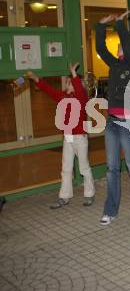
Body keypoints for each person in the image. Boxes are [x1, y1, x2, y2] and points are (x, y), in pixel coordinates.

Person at [96, 11, 130, 226]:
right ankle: (110, 210)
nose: (118, 47)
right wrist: (101, 25)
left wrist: (120, 23)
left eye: (121, 45)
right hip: (112, 123)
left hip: (128, 125)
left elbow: (126, 47)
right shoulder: (116, 65)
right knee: (112, 169)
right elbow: (101, 49)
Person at [26, 63, 95, 209]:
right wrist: (35, 78)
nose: (69, 83)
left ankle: (89, 194)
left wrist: (74, 74)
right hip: (68, 139)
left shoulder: (82, 100)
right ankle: (64, 196)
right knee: (66, 169)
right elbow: (48, 90)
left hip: (80, 139)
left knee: (83, 168)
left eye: (73, 82)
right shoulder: (64, 97)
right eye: (69, 82)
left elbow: (80, 92)